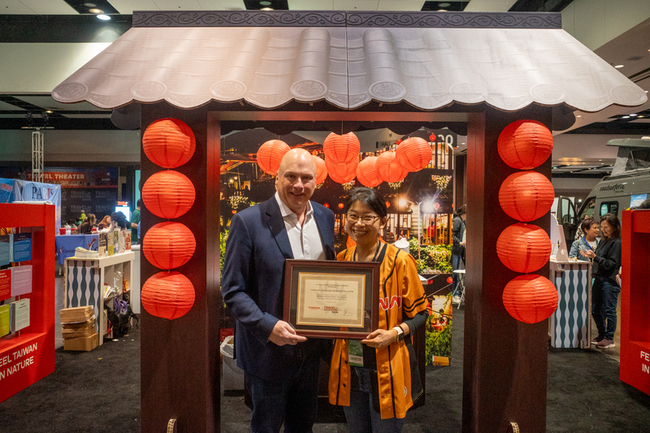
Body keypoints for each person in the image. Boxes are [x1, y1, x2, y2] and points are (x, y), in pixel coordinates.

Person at [221, 148, 336, 433]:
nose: (299, 185)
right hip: (268, 353)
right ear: (276, 179)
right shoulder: (248, 221)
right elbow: (232, 290)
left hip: (311, 349)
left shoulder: (325, 217)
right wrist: (268, 326)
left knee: (303, 427)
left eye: (306, 178)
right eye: (291, 176)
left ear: (316, 181)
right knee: (266, 427)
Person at [329, 187, 428, 432]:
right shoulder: (342, 259)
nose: (359, 223)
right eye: (353, 216)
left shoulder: (400, 261)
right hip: (350, 366)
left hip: (388, 367)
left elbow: (421, 314)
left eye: (368, 217)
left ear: (382, 221)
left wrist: (393, 334)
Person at [580, 213, 622, 349]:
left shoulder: (617, 243)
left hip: (610, 280)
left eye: (606, 227)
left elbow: (611, 264)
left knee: (610, 310)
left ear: (614, 226)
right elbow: (599, 258)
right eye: (602, 227)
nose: (603, 230)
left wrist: (595, 257)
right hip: (599, 278)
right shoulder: (603, 240)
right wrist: (590, 256)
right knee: (595, 309)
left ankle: (609, 338)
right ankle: (602, 334)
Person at [451, 207, 466, 297]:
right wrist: (460, 242)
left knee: (457, 272)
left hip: (460, 250)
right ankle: (454, 292)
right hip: (456, 250)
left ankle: (456, 291)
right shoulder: (457, 221)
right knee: (455, 273)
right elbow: (452, 235)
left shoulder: (463, 221)